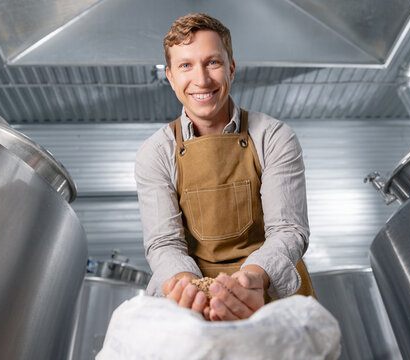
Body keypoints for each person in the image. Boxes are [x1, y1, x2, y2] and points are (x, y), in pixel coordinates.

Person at [134, 13, 315, 321]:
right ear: (171, 76)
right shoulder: (155, 153)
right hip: (197, 306)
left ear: (231, 68)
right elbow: (165, 243)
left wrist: (254, 279)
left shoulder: (273, 137)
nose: (201, 80)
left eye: (213, 63)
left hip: (270, 295)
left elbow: (287, 230)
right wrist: (189, 288)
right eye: (186, 65)